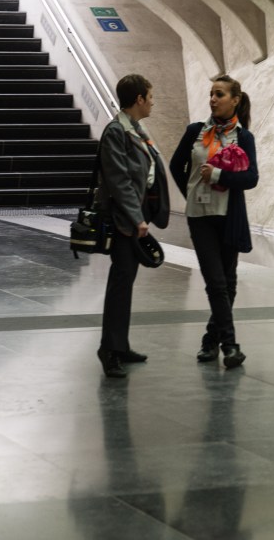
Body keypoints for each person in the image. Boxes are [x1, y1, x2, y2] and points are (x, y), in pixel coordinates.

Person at [170, 74, 258, 369]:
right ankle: (230, 345)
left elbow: (251, 178)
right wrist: (191, 193)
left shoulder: (243, 137)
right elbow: (176, 165)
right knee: (216, 282)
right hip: (200, 217)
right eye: (211, 93)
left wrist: (219, 175)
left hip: (229, 216)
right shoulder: (196, 131)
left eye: (219, 94)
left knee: (228, 283)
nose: (213, 99)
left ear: (235, 100)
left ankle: (210, 341)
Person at [97, 73, 170, 378]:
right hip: (124, 221)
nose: (153, 102)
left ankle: (120, 344)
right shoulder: (116, 131)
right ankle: (109, 350)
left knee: (125, 282)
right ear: (139, 99)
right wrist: (136, 217)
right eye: (150, 97)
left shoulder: (135, 129)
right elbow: (119, 181)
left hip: (135, 217)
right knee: (120, 283)